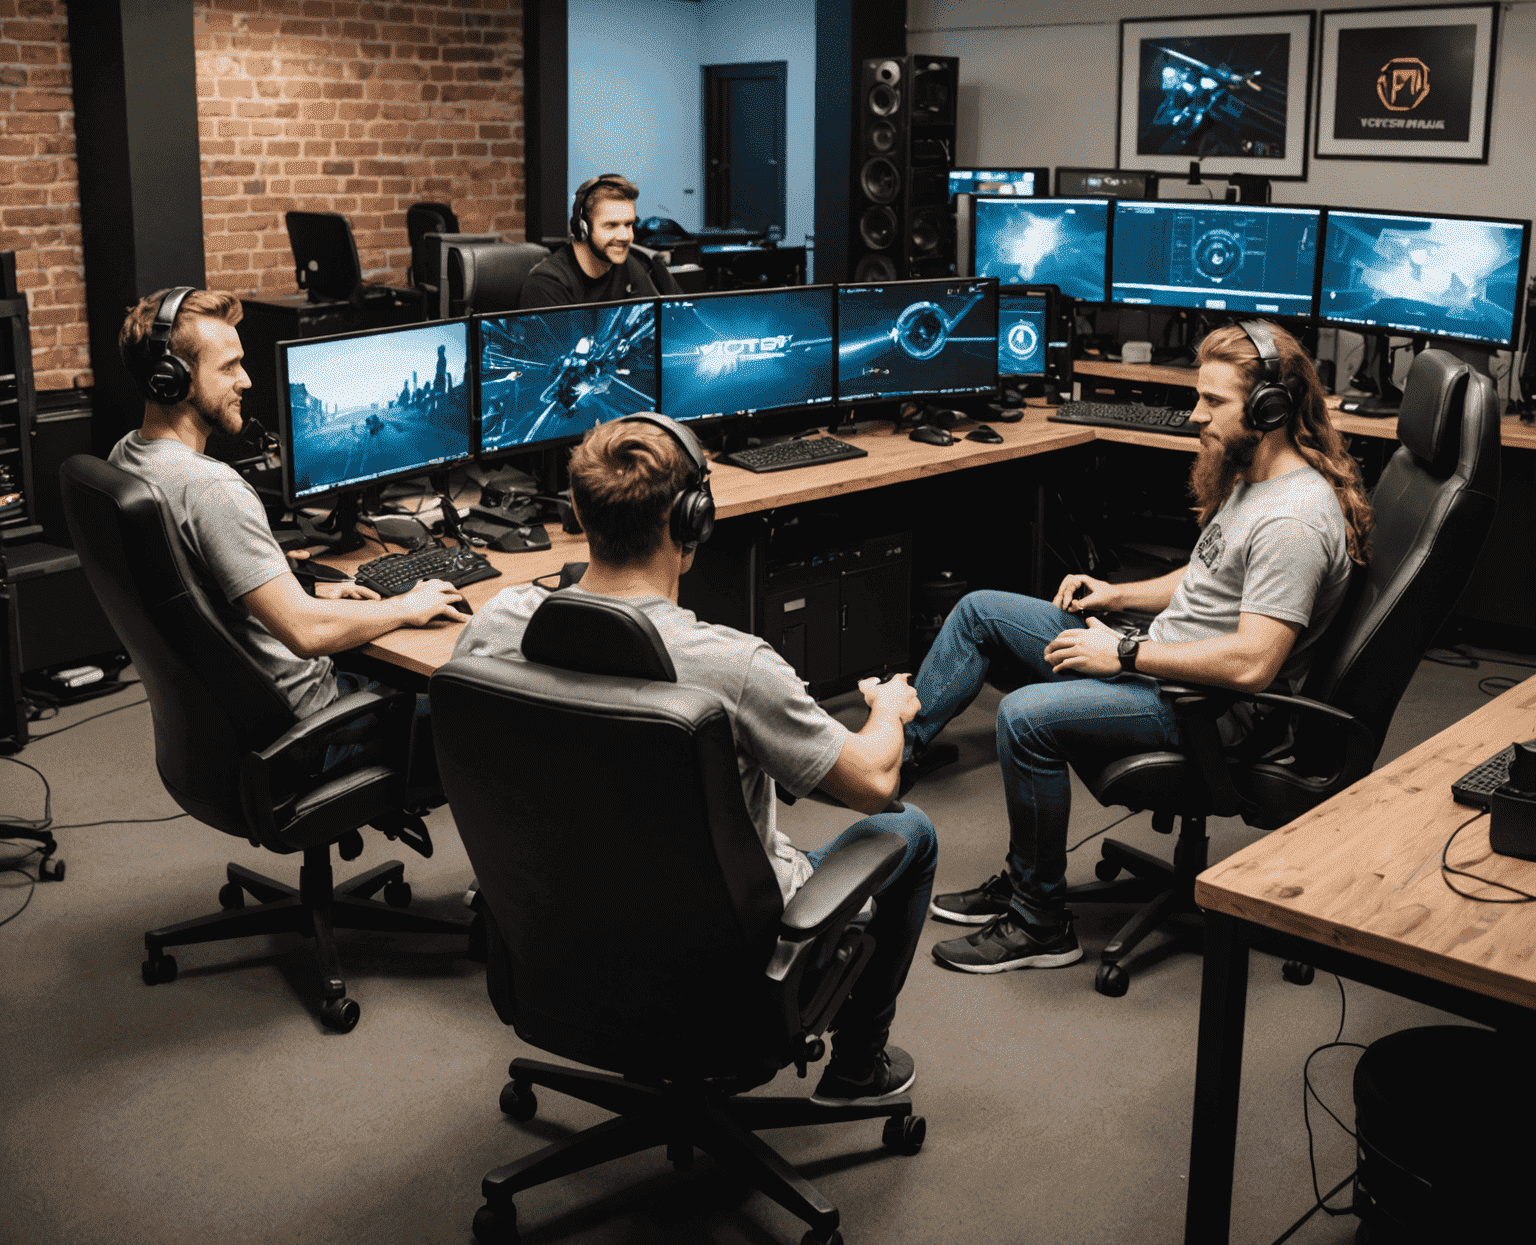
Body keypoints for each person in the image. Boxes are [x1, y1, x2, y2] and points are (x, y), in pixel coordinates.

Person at [451, 413, 937, 1104]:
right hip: (724, 986)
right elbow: (871, 784)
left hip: (562, 951)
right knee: (910, 830)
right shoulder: (735, 668)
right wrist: (888, 709)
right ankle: (859, 1065)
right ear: (694, 520)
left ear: (579, 513)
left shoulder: (497, 623)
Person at [910, 320, 1373, 975]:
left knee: (1024, 717)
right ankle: (891, 763)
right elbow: (1209, 574)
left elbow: (1252, 662)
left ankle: (1039, 920)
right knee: (981, 611)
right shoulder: (1258, 473)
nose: (1196, 415)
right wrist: (1117, 597)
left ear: (1270, 409)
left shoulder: (1292, 520)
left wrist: (1122, 655)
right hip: (1164, 656)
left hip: (1206, 704)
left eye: (1214, 402)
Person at [111, 287, 469, 777]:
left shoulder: (127, 459)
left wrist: (315, 592)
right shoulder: (211, 487)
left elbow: (203, 594)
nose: (247, 380)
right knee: (495, 709)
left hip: (232, 723)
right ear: (172, 380)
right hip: (319, 729)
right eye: (229, 367)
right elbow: (304, 632)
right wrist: (406, 604)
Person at [519, 174, 681, 309]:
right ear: (584, 227)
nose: (625, 236)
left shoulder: (642, 265)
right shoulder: (547, 285)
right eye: (611, 225)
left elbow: (688, 323)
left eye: (628, 224)